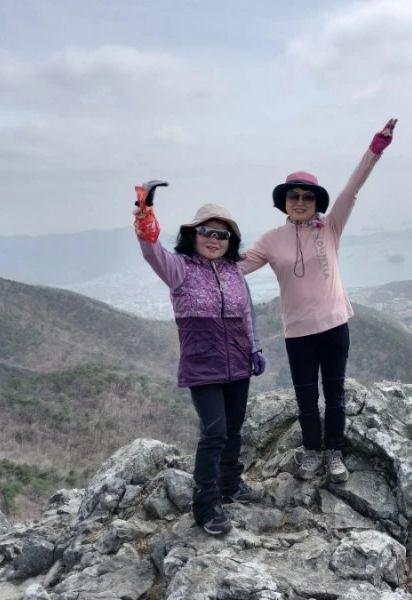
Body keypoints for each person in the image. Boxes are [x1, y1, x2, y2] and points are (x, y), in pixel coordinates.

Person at [239, 118, 398, 483]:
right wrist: (193, 261)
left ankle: (334, 452)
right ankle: (312, 451)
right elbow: (236, 267)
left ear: (316, 202)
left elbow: (351, 190)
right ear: (284, 202)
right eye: (293, 196)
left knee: (335, 394)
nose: (300, 202)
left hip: (334, 325)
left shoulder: (330, 227)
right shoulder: (270, 240)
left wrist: (375, 149)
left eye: (307, 197)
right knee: (306, 397)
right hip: (297, 332)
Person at [133, 180, 266, 536]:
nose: (214, 239)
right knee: (214, 433)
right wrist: (145, 214)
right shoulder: (179, 269)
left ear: (231, 241)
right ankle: (205, 505)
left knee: (234, 429)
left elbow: (246, 313)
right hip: (202, 364)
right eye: (206, 231)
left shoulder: (234, 272)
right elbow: (151, 251)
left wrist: (254, 348)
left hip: (238, 362)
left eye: (222, 235)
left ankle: (230, 483)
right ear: (193, 234)